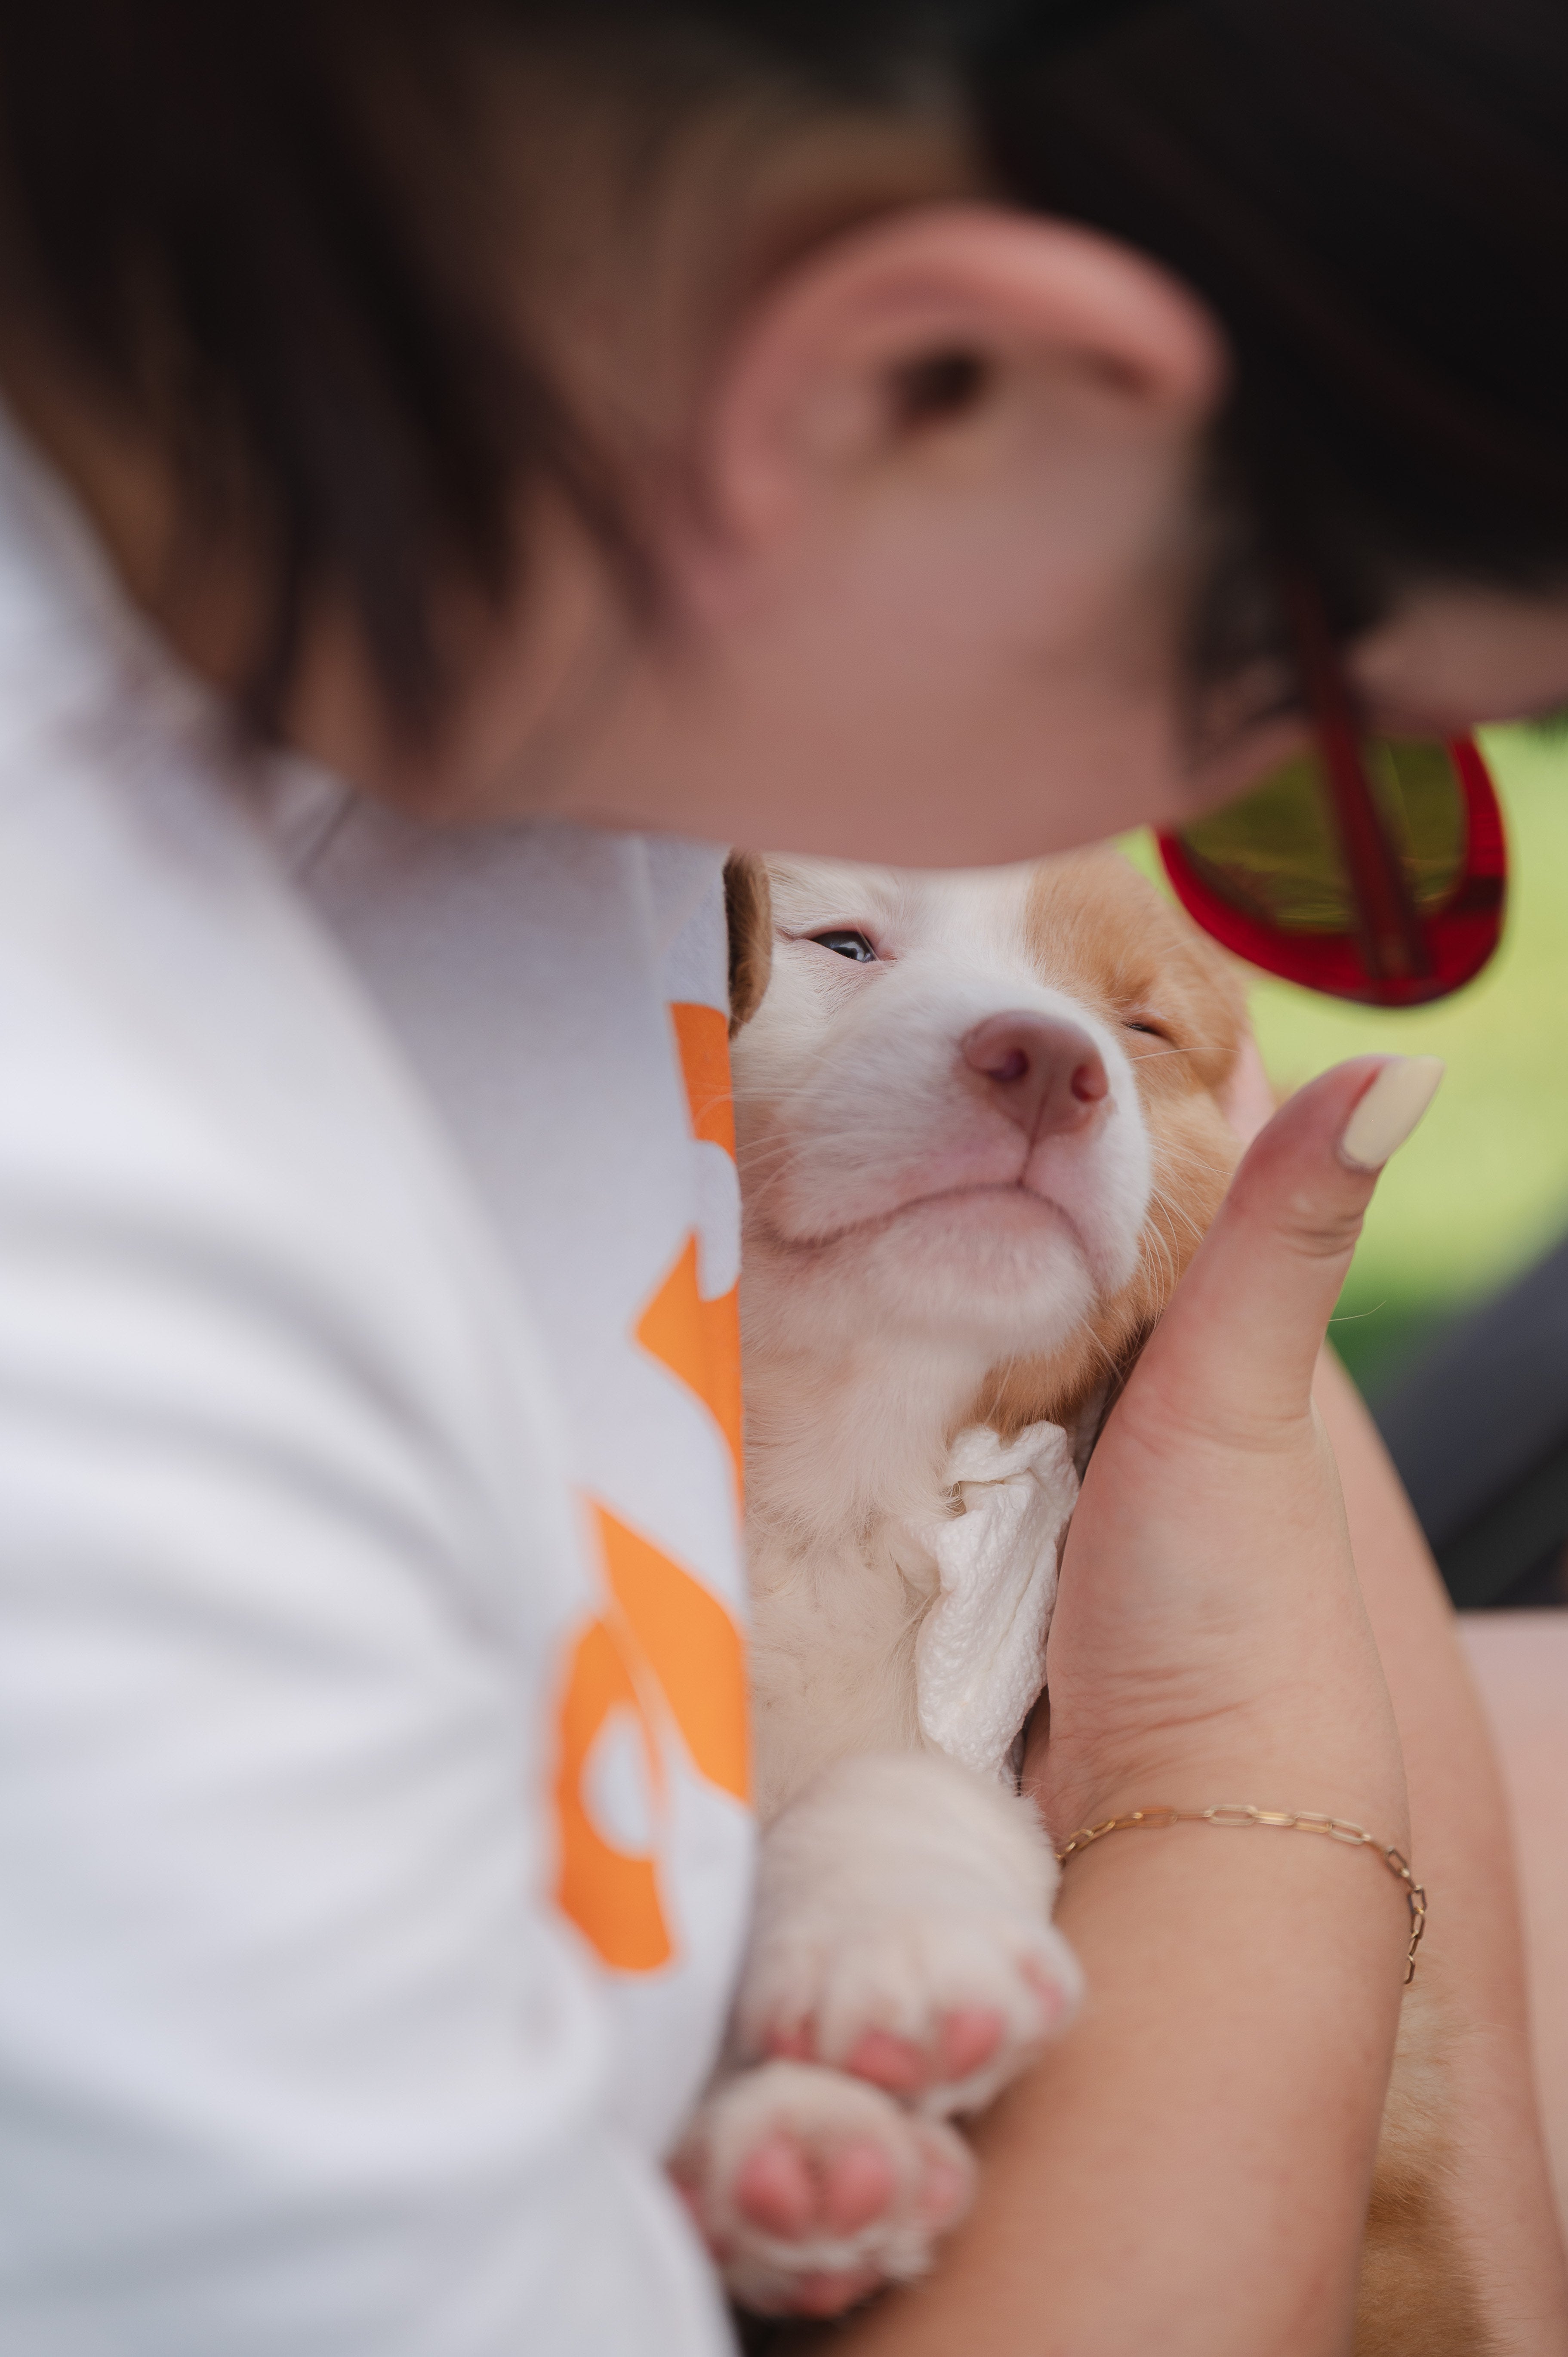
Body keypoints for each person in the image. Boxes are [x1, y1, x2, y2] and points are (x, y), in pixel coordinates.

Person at [0, 2, 1564, 2351]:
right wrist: (1243, 1760)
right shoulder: (101, 1322)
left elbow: (1239, 1376)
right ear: (923, 385)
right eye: (1311, 750)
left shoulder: (576, 707)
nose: (1177, 852)